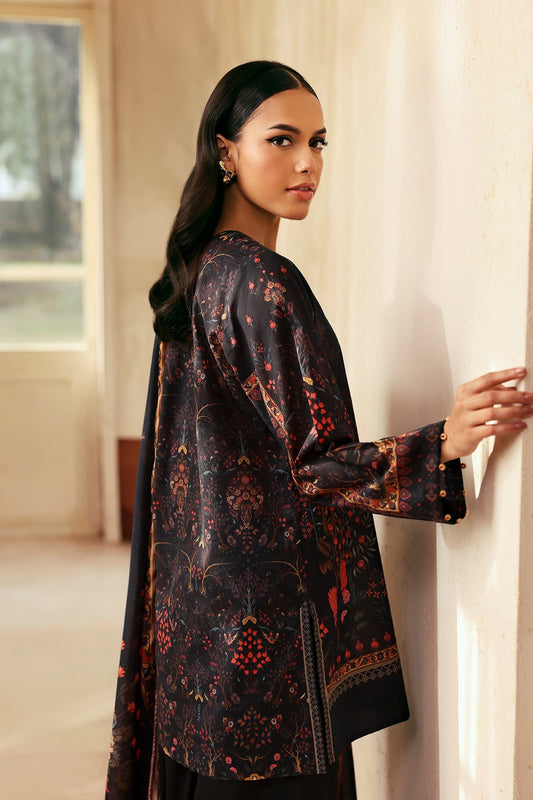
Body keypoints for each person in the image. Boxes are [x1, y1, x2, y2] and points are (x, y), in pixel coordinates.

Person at [105, 61, 532, 800]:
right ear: (225, 151)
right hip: (268, 652)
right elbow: (317, 464)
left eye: (318, 141)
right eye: (282, 139)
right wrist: (443, 443)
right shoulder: (263, 283)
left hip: (199, 635)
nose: (307, 163)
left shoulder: (204, 272)